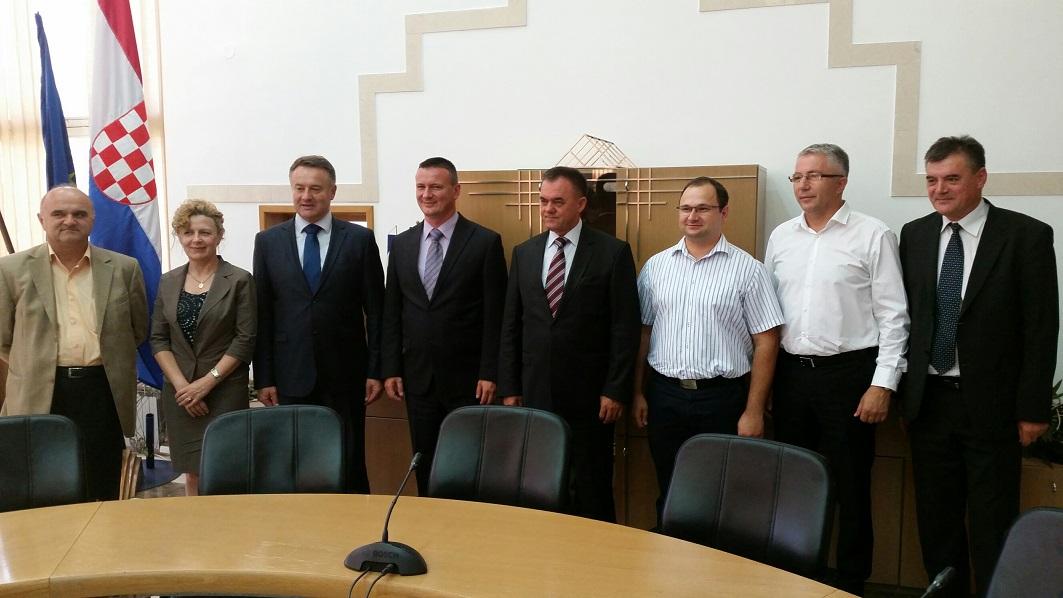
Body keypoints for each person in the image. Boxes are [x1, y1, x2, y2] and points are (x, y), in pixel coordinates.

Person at [899, 135, 1058, 597]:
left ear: (980, 178)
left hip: (992, 407)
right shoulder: (915, 234)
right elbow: (908, 318)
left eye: (951, 178)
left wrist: (1033, 408)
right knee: (937, 523)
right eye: (931, 180)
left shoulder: (1026, 235)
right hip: (929, 404)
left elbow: (1041, 327)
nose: (939, 189)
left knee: (993, 523)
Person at [765, 143, 909, 596]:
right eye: (797, 176)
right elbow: (767, 314)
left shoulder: (872, 234)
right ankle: (793, 575)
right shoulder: (781, 236)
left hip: (849, 377)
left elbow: (894, 317)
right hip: (791, 375)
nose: (802, 185)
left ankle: (850, 582)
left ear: (841, 182)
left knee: (851, 485)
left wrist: (882, 384)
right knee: (793, 481)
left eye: (814, 176)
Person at [632, 176, 784, 525]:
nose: (692, 216)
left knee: (721, 494)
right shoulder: (656, 267)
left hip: (722, 399)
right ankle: (670, 554)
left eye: (702, 208)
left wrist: (754, 410)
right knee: (669, 487)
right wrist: (637, 392)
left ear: (723, 213)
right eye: (686, 208)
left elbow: (767, 341)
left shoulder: (749, 270)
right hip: (664, 396)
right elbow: (643, 332)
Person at [498, 166, 640, 522]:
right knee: (541, 485)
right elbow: (511, 325)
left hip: (591, 397)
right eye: (543, 201)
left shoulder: (612, 252)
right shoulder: (525, 253)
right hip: (536, 392)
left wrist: (615, 389)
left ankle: (598, 551)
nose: (548, 209)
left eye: (558, 202)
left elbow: (625, 328)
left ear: (580, 203)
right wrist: (510, 387)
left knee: (591, 487)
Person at [0, 185, 148, 501]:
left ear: (92, 219)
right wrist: (33, 362)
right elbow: (3, 337)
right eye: (59, 213)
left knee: (102, 483)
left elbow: (137, 330)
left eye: (79, 214)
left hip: (102, 391)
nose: (70, 220)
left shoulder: (124, 268)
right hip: (39, 391)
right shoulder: (10, 269)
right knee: (41, 484)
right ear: (42, 219)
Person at [253, 155, 385, 494]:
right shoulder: (268, 242)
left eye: (315, 189)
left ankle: (354, 520)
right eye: (299, 188)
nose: (306, 196)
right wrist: (264, 377)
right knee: (297, 462)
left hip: (346, 372)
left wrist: (376, 370)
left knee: (348, 461)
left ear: (332, 192)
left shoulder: (359, 240)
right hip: (290, 372)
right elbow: (263, 314)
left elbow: (377, 311)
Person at [381, 157, 507, 496]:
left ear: (455, 190)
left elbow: (496, 316)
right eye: (421, 187)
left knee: (468, 466)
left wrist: (490, 372)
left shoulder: (484, 242)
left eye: (435, 186)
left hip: (469, 380)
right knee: (424, 463)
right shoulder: (402, 244)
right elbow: (393, 311)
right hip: (418, 377)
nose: (427, 194)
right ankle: (429, 518)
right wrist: (391, 367)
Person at [150, 199, 256, 496]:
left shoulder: (239, 280)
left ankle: (229, 525)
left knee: (226, 469)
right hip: (180, 391)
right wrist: (184, 388)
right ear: (179, 237)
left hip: (224, 389)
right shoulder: (168, 281)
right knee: (192, 472)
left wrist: (207, 382)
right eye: (188, 233)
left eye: (205, 232)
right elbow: (158, 339)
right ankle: (194, 524)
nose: (196, 239)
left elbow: (245, 338)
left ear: (219, 236)